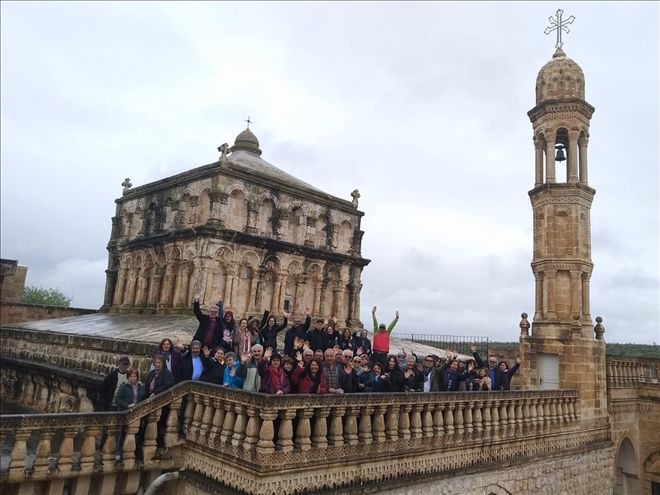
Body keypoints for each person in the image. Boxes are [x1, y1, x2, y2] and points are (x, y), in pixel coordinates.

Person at [144, 354, 175, 456]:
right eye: (156, 363)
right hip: (149, 400)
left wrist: (156, 392)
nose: (157, 365)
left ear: (163, 364)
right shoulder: (152, 373)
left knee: (160, 424)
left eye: (159, 363)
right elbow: (146, 385)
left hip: (161, 403)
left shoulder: (167, 373)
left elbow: (168, 385)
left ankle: (159, 445)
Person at [114, 368, 145, 462]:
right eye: (131, 376)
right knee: (121, 433)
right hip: (125, 413)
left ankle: (132, 453)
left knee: (135, 433)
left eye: (134, 376)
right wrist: (127, 405)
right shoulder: (124, 386)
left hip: (136, 413)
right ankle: (118, 453)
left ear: (137, 377)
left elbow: (143, 397)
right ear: (128, 377)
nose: (133, 378)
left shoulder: (141, 387)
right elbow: (117, 399)